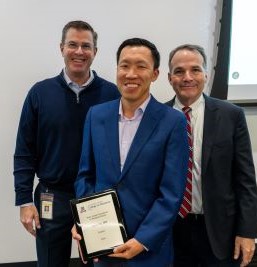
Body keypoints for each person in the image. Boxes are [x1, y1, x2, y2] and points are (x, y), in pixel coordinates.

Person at [72, 37, 189, 267]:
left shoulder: (172, 121)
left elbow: (172, 193)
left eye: (141, 66)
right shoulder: (96, 115)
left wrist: (143, 240)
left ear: (155, 74)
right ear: (117, 69)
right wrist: (84, 221)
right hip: (104, 247)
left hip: (148, 251)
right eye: (124, 65)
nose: (131, 73)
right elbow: (85, 175)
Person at [14, 20, 120, 267]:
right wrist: (25, 201)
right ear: (62, 48)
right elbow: (24, 151)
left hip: (97, 196)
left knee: (101, 262)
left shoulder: (112, 95)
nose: (79, 51)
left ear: (95, 52)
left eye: (86, 46)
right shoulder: (40, 93)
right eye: (73, 44)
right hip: (53, 195)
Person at [166, 44, 257, 267]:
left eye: (195, 70)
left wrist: (247, 232)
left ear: (206, 75)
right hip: (171, 231)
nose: (187, 77)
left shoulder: (231, 115)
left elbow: (245, 180)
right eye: (179, 71)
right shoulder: (159, 117)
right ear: (169, 78)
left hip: (219, 231)